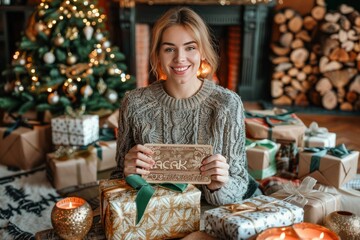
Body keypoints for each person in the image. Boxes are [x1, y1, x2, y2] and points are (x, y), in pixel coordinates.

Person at [111, 6, 261, 206]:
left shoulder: (227, 104)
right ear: (158, 54)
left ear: (202, 52)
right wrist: (127, 175)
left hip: (209, 215)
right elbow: (116, 182)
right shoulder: (134, 104)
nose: (180, 58)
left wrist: (220, 185)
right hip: (154, 218)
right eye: (169, 49)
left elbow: (240, 184)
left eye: (190, 47)